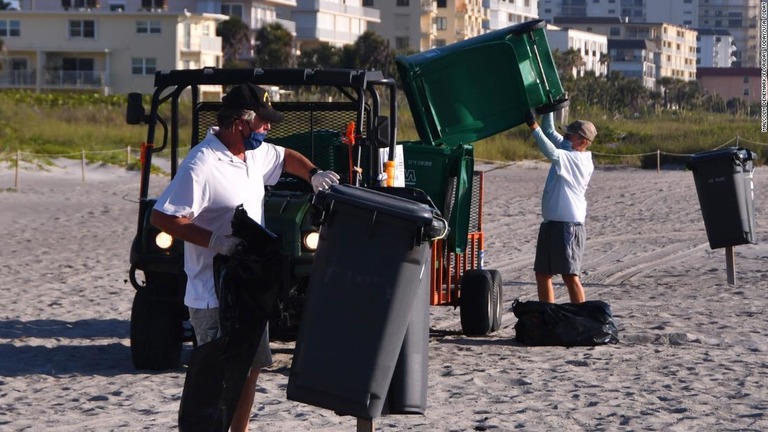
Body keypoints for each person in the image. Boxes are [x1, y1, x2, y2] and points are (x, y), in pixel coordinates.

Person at [150, 83, 339, 432]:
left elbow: (285, 157)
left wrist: (313, 174)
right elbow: (163, 217)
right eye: (264, 122)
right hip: (213, 294)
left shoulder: (255, 154)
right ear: (240, 123)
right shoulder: (202, 163)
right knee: (217, 378)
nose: (268, 128)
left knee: (250, 368)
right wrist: (216, 242)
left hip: (250, 290)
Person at [525, 110, 596, 304]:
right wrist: (549, 109)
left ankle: (582, 317)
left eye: (569, 135)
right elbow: (549, 130)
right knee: (542, 274)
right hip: (550, 223)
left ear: (582, 142)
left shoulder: (578, 159)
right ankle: (547, 315)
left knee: (569, 275)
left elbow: (551, 152)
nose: (565, 137)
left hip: (568, 226)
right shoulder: (569, 149)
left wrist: (533, 126)